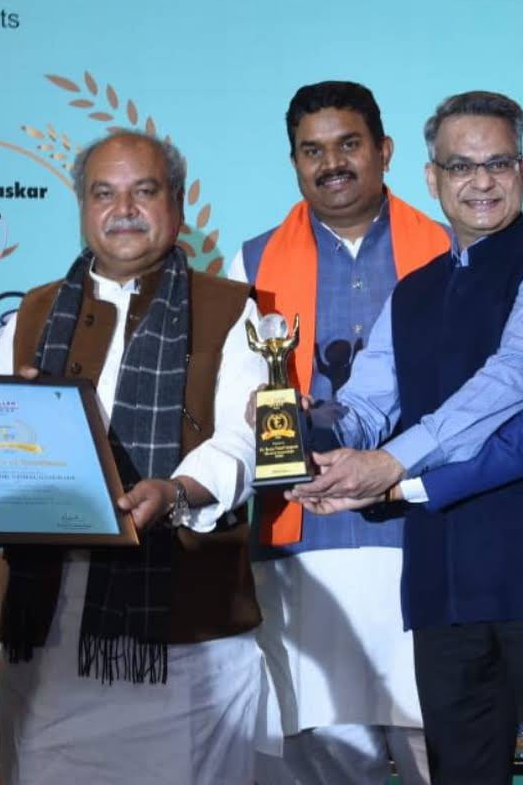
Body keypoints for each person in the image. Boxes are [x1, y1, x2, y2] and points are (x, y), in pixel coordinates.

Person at [0, 131, 267, 785]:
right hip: (50, 628)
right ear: (83, 207)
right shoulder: (31, 314)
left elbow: (246, 438)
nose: (124, 210)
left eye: (144, 191)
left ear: (178, 203)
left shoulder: (232, 309)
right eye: (104, 194)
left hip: (188, 625)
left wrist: (177, 491)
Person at [291, 91, 523, 782]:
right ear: (431, 178)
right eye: (460, 166)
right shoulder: (414, 291)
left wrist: (391, 463)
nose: (480, 182)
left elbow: (508, 381)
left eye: (499, 163)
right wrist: (303, 431)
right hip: (440, 586)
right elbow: (365, 402)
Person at [228, 81, 446, 784]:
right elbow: (236, 410)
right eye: (312, 151)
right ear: (293, 162)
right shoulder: (251, 264)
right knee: (325, 751)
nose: (332, 164)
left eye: (348, 145)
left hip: (426, 538)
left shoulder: (449, 248)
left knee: (438, 745)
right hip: (304, 546)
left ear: (384, 150)